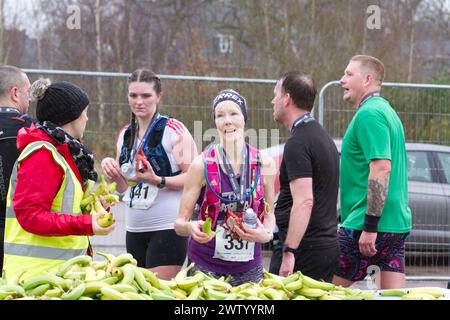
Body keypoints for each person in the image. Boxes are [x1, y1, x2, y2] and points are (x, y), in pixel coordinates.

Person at [2, 79, 115, 281]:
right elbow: (31, 216)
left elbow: (66, 208)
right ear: (72, 116)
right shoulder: (43, 154)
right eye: (85, 113)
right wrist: (87, 224)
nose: (87, 119)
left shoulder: (68, 154)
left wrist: (97, 209)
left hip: (62, 274)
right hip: (36, 278)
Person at [101, 69, 197, 280]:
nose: (139, 101)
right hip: (134, 228)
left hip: (167, 228)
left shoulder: (174, 130)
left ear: (158, 96)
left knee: (155, 292)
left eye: (146, 96)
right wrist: (112, 171)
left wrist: (158, 180)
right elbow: (125, 188)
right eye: (133, 95)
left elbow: (194, 178)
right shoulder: (125, 134)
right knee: (136, 291)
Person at [175, 89, 276, 286]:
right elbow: (179, 223)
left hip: (249, 268)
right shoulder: (201, 164)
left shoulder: (265, 163)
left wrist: (267, 234)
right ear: (215, 122)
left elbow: (270, 213)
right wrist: (189, 227)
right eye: (220, 115)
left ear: (244, 118)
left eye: (233, 113)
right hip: (204, 266)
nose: (227, 121)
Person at [332, 55, 412, 289]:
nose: (341, 79)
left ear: (367, 79)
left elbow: (381, 168)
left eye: (349, 74)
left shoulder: (370, 114)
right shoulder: (386, 111)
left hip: (365, 227)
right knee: (393, 296)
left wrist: (369, 226)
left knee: (323, 292)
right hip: (393, 226)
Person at [268, 71, 340, 282]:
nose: (273, 101)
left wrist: (289, 251)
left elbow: (305, 201)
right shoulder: (323, 137)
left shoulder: (298, 143)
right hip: (323, 247)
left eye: (276, 95)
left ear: (287, 99)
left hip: (304, 251)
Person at [0, 65, 33, 276]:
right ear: (15, 93)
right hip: (14, 230)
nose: (29, 99)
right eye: (27, 92)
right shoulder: (29, 129)